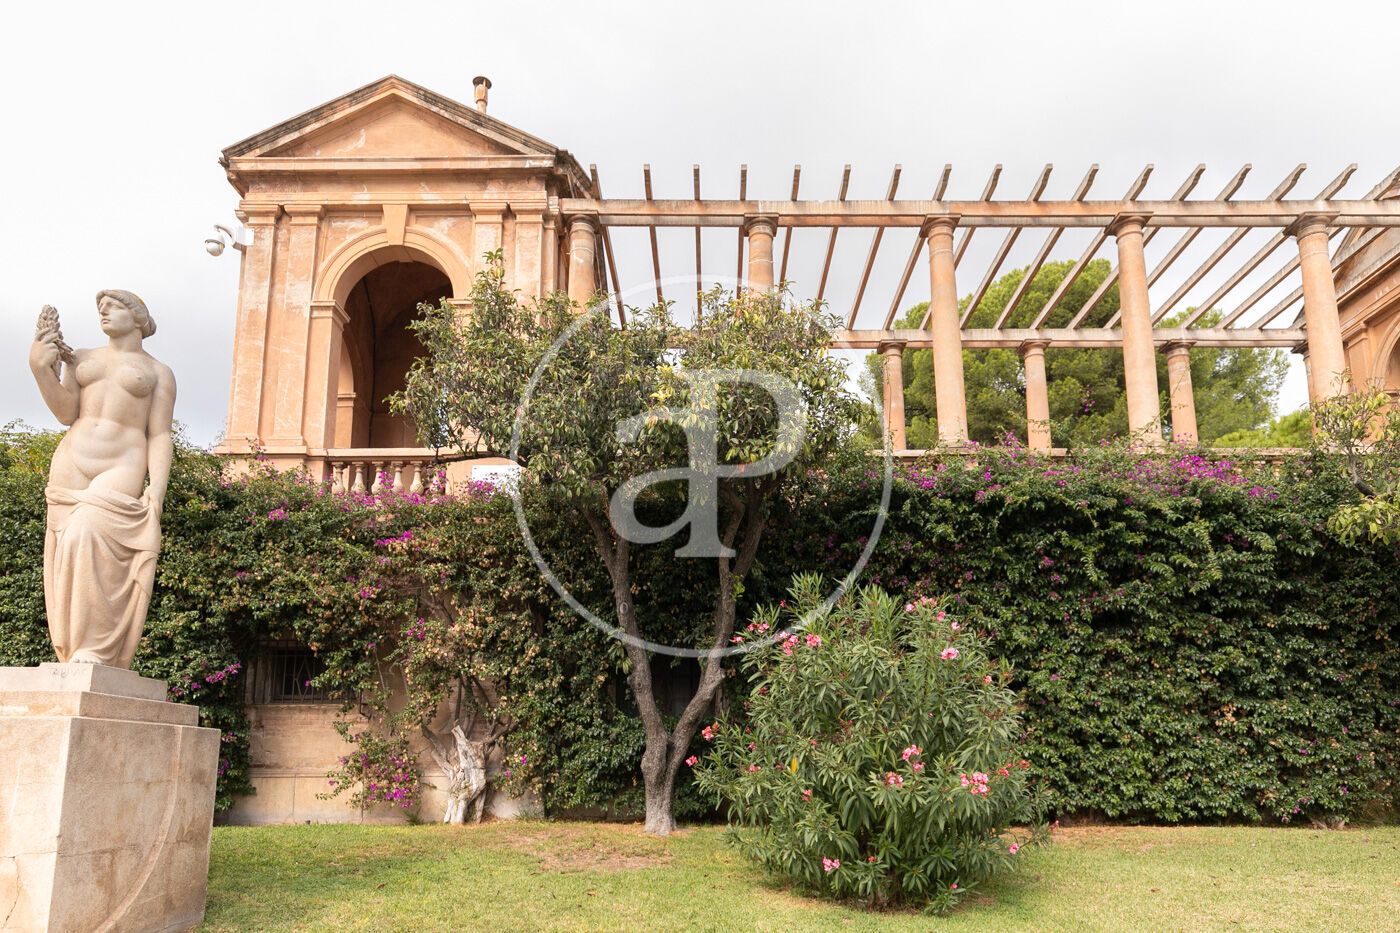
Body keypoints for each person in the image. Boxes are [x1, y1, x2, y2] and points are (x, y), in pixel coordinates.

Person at [27, 290, 176, 668]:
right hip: (72, 460)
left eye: (113, 307)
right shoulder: (81, 358)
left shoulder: (158, 372)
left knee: (87, 532)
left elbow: (159, 434)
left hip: (121, 464)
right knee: (66, 550)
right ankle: (74, 647)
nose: (104, 313)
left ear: (138, 316)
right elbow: (66, 412)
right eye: (100, 309)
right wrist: (41, 370)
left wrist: (156, 490)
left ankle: (95, 646)